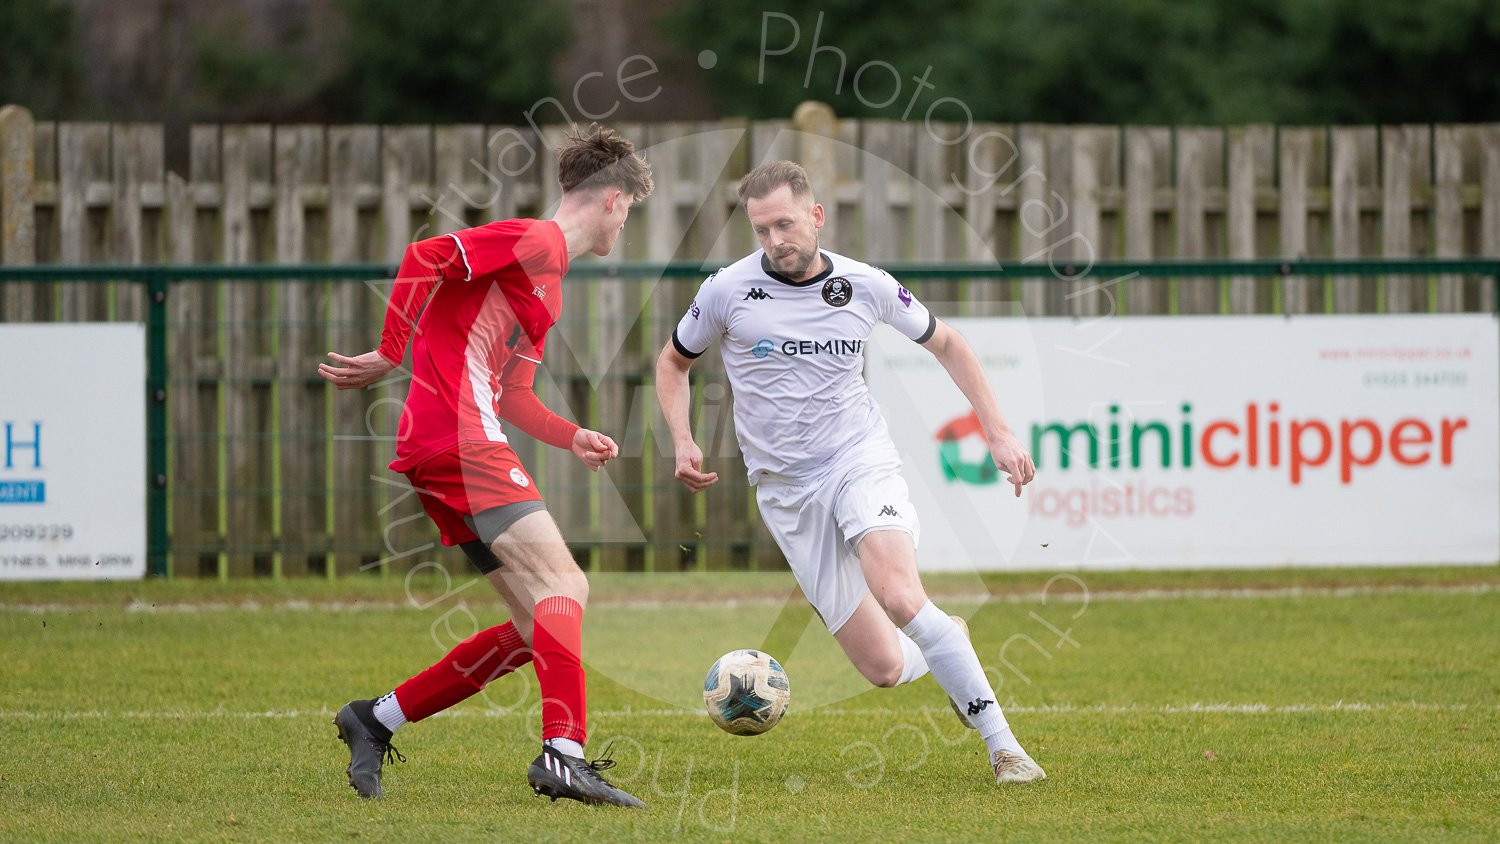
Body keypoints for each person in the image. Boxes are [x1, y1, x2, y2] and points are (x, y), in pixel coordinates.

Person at [655, 160, 1046, 785]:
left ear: (815, 216)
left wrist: (996, 431)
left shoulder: (865, 284)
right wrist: (681, 438)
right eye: (760, 230)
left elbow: (948, 342)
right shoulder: (727, 290)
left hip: (857, 458)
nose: (774, 241)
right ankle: (949, 643)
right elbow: (673, 362)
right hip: (784, 489)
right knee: (884, 667)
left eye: (784, 224)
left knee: (897, 593)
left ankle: (1006, 750)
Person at [317, 124, 652, 808]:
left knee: (537, 624)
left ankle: (374, 719)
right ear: (614, 200)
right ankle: (563, 754)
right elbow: (425, 255)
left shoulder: (550, 290)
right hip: (459, 440)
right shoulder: (539, 241)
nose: (626, 224)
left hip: (447, 444)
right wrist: (389, 350)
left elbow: (516, 396)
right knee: (566, 585)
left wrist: (572, 435)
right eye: (631, 212)